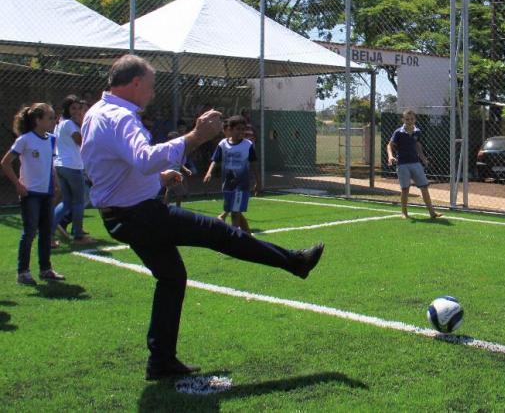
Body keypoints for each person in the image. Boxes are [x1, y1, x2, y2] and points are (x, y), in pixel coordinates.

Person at [80, 55, 324, 380]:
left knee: (171, 277)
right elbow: (141, 158)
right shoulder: (120, 116)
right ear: (135, 84)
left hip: (121, 215)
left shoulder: (98, 112)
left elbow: (114, 166)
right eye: (150, 87)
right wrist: (195, 136)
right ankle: (295, 262)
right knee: (218, 232)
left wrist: (159, 178)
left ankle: (161, 361)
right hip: (139, 214)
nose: (152, 93)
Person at [1, 103, 66, 285]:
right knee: (29, 232)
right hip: (30, 193)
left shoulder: (52, 139)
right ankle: (23, 272)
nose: (54, 121)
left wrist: (55, 182)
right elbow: (5, 163)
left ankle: (46, 269)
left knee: (46, 232)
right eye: (50, 117)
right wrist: (18, 184)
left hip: (46, 193)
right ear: (38, 120)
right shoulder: (25, 140)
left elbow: (49, 164)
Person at [203, 115, 261, 233]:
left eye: (243, 129)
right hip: (228, 184)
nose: (241, 132)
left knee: (235, 213)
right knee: (235, 210)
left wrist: (258, 182)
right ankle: (248, 236)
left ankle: (232, 241)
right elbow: (215, 159)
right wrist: (209, 172)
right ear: (230, 129)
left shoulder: (248, 144)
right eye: (238, 129)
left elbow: (254, 163)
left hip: (242, 185)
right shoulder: (223, 144)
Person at [52, 95, 96, 247]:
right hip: (72, 166)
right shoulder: (70, 124)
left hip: (61, 165)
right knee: (78, 202)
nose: (77, 111)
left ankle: (48, 233)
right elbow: (81, 142)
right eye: (73, 108)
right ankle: (78, 235)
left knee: (66, 202)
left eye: (78, 108)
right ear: (67, 109)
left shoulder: (60, 123)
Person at [386, 108, 442, 219]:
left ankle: (432, 213)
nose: (409, 121)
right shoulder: (398, 132)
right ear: (403, 119)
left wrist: (423, 158)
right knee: (405, 189)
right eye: (407, 119)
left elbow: (417, 146)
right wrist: (390, 156)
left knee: (424, 187)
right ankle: (404, 213)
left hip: (416, 163)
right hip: (402, 164)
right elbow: (389, 145)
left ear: (415, 119)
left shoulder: (418, 131)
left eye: (411, 119)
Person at [162, 131, 192, 208]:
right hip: (171, 173)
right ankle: (175, 207)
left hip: (176, 173)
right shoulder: (167, 149)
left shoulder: (178, 150)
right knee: (177, 191)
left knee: (171, 191)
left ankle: (166, 206)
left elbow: (179, 163)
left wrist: (186, 169)